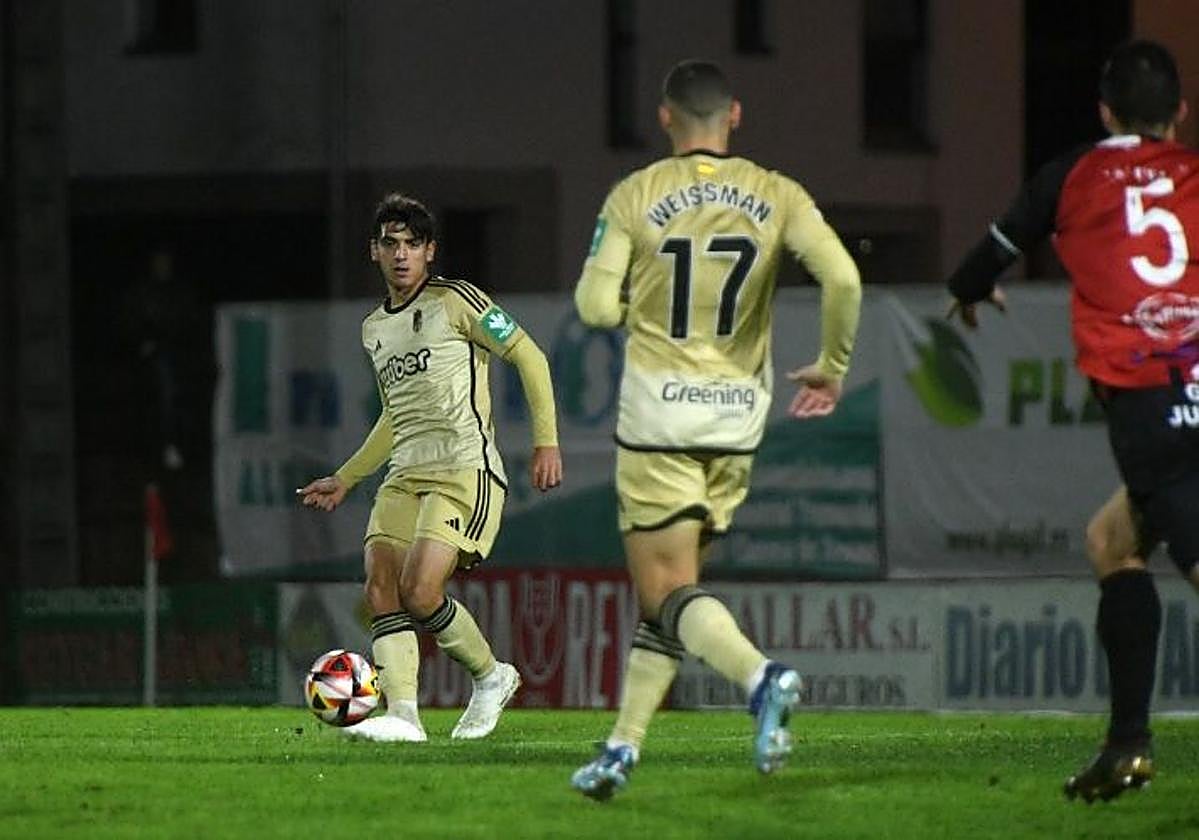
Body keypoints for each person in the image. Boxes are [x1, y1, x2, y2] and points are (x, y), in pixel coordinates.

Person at [570, 59, 862, 799]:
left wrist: (634, 288)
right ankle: (620, 749)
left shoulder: (635, 194)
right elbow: (843, 280)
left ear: (664, 117)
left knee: (665, 588)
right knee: (672, 590)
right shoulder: (777, 192)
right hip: (736, 419)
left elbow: (597, 310)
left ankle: (759, 680)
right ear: (734, 116)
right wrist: (830, 364)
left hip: (659, 417)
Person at [945, 40, 1199, 803]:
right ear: (1178, 114)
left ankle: (1127, 746)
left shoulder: (1072, 175)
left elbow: (979, 263)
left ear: (1103, 112)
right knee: (1111, 541)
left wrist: (968, 291)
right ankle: (1126, 748)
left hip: (1153, 397)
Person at [299, 193, 563, 742]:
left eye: (413, 245)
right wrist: (347, 477)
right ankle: (404, 717)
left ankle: (492, 678)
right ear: (373, 251)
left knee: (421, 589)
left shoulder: (457, 300)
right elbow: (394, 417)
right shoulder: (374, 329)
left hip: (464, 468)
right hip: (404, 473)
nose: (402, 254)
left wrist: (547, 442)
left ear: (430, 252)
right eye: (391, 244)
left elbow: (530, 356)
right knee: (379, 588)